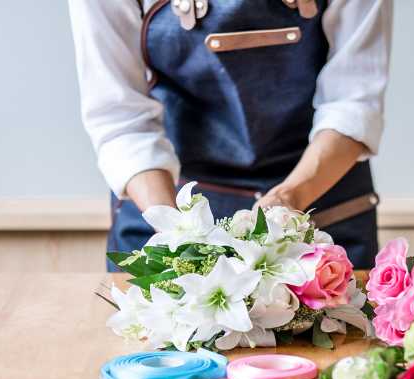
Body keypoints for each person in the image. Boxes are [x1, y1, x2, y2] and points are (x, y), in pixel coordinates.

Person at [68, 0, 393, 270]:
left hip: (323, 207)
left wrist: (288, 199)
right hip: (165, 206)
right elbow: (121, 118)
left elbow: (353, 102)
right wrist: (177, 233)